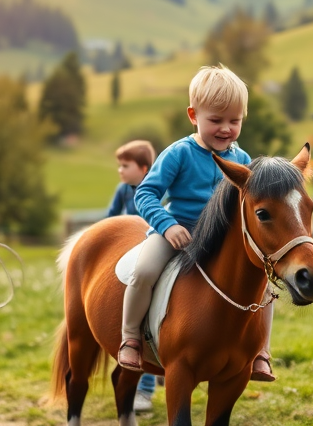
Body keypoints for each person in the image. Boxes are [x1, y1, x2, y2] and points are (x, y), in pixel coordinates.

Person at [117, 64, 277, 381]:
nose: (225, 128)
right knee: (145, 270)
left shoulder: (242, 160)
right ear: (193, 115)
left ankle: (261, 352)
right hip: (177, 232)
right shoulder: (179, 153)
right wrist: (167, 225)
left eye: (235, 120)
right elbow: (146, 193)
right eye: (215, 120)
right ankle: (130, 338)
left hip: (222, 239)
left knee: (265, 285)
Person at [105, 139, 159, 413]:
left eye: (125, 166)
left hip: (151, 246)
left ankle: (146, 389)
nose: (120, 171)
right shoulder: (123, 190)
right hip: (128, 251)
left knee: (146, 326)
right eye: (120, 165)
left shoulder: (158, 189)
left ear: (144, 168)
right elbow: (111, 219)